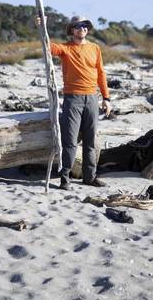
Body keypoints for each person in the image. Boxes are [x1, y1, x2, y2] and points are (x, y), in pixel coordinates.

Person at [36, 15, 110, 188]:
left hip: (92, 98)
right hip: (73, 98)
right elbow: (48, 47)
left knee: (90, 142)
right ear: (72, 30)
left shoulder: (95, 48)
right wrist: (42, 27)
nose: (81, 28)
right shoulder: (65, 48)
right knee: (70, 141)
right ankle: (65, 178)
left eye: (84, 25)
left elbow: (101, 74)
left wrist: (106, 98)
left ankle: (90, 177)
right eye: (77, 26)